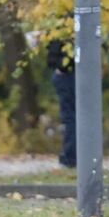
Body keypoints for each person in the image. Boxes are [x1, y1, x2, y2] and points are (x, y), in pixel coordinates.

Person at [46, 39, 76, 168]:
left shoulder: (67, 27)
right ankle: (71, 157)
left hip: (66, 74)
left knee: (70, 118)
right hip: (68, 74)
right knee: (72, 118)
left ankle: (70, 158)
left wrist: (61, 67)